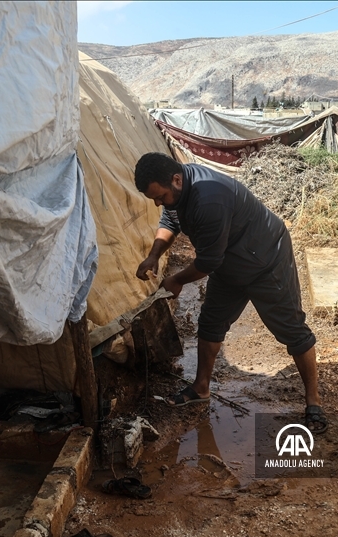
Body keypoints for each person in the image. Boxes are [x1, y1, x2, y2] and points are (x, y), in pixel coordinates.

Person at [133, 152, 327, 433]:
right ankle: (201, 388)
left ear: (176, 180)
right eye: (154, 198)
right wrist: (153, 255)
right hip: (229, 263)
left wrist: (175, 280)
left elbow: (208, 262)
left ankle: (314, 401)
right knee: (211, 323)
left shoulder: (209, 197)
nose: (158, 202)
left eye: (160, 195)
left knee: (291, 329)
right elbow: (170, 220)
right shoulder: (178, 187)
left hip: (266, 260)